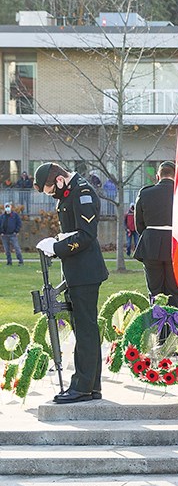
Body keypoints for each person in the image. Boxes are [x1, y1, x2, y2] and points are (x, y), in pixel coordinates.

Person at [33, 162, 108, 404]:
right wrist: (57, 242)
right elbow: (72, 231)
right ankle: (92, 386)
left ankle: (82, 387)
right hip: (78, 271)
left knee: (85, 330)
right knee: (85, 328)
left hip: (85, 271)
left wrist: (57, 247)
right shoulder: (71, 190)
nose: (53, 196)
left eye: (51, 191)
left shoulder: (83, 192)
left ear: (59, 180)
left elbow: (86, 235)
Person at [134, 161, 178, 308]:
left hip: (151, 245)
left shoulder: (145, 193)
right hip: (175, 246)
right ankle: (173, 326)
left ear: (158, 176)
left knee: (155, 291)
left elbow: (139, 224)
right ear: (176, 176)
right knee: (174, 290)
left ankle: (158, 327)